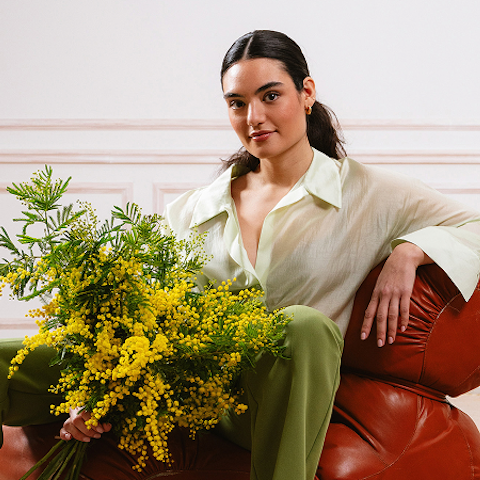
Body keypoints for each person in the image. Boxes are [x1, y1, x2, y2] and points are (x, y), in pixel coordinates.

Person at [3, 30, 480, 480]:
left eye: (270, 96)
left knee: (304, 326)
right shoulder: (192, 209)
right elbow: (143, 322)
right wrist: (89, 395)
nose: (253, 117)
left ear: (307, 93)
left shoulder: (369, 193)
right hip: (183, 391)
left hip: (276, 401)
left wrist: (410, 251)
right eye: (237, 103)